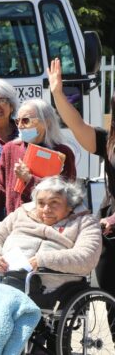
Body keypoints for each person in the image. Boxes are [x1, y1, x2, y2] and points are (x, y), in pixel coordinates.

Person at [47, 58, 115, 299]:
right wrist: (58, 95)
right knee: (110, 299)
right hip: (110, 232)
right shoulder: (108, 142)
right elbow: (77, 124)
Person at [0, 176, 101, 308]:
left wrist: (43, 260)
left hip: (47, 287)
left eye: (54, 203)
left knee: (0, 301)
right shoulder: (21, 214)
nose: (46, 209)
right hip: (1, 277)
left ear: (69, 205)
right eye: (41, 203)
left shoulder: (85, 222)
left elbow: (87, 257)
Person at [0, 98, 75, 214]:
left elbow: (68, 196)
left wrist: (29, 180)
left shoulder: (62, 153)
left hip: (50, 223)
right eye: (17, 121)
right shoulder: (10, 149)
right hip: (17, 223)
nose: (20, 126)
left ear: (46, 122)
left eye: (26, 121)